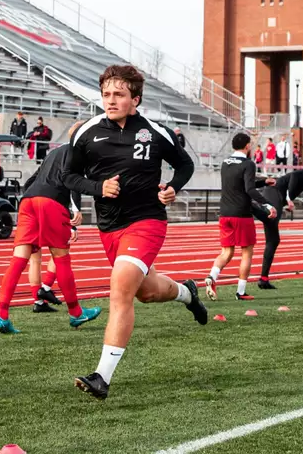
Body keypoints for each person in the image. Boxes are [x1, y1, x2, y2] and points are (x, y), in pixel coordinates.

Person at [66, 64, 207, 400]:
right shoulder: (85, 132)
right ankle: (187, 292)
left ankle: (102, 376)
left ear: (135, 98)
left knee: (120, 289)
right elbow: (70, 177)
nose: (110, 100)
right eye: (106, 94)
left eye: (118, 94)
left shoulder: (156, 132)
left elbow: (185, 164)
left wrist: (172, 188)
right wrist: (98, 188)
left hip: (147, 221)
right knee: (145, 292)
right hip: (109, 227)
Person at [0, 120, 101, 334]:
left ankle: (1, 315)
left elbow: (30, 181)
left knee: (18, 259)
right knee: (61, 257)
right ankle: (76, 312)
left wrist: (34, 197)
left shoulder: (53, 152)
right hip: (52, 202)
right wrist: (76, 210)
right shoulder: (79, 153)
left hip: (29, 200)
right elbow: (74, 181)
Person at [204, 132, 277, 303]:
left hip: (225, 214)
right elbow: (249, 189)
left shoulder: (225, 163)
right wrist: (267, 204)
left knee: (226, 252)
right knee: (246, 253)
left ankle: (212, 276)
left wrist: (263, 181)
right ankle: (240, 292)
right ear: (247, 146)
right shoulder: (248, 164)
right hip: (242, 214)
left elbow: (240, 184)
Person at [256, 163, 303, 289]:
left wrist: (286, 200)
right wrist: (289, 199)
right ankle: (250, 206)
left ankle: (264, 279)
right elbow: (293, 175)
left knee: (274, 240)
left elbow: (292, 179)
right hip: (274, 192)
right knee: (271, 226)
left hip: (273, 194)